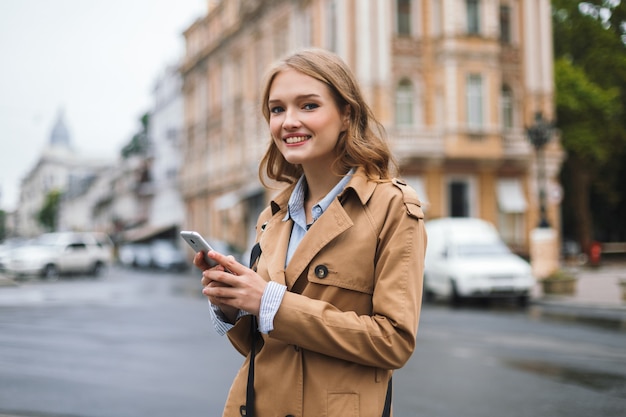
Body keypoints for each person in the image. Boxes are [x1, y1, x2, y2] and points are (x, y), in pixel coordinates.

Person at [194, 48, 426, 417]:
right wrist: (233, 307)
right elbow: (264, 348)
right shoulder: (272, 216)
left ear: (346, 113)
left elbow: (393, 342)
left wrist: (273, 303)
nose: (289, 121)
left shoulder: (392, 206)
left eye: (308, 106)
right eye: (277, 109)